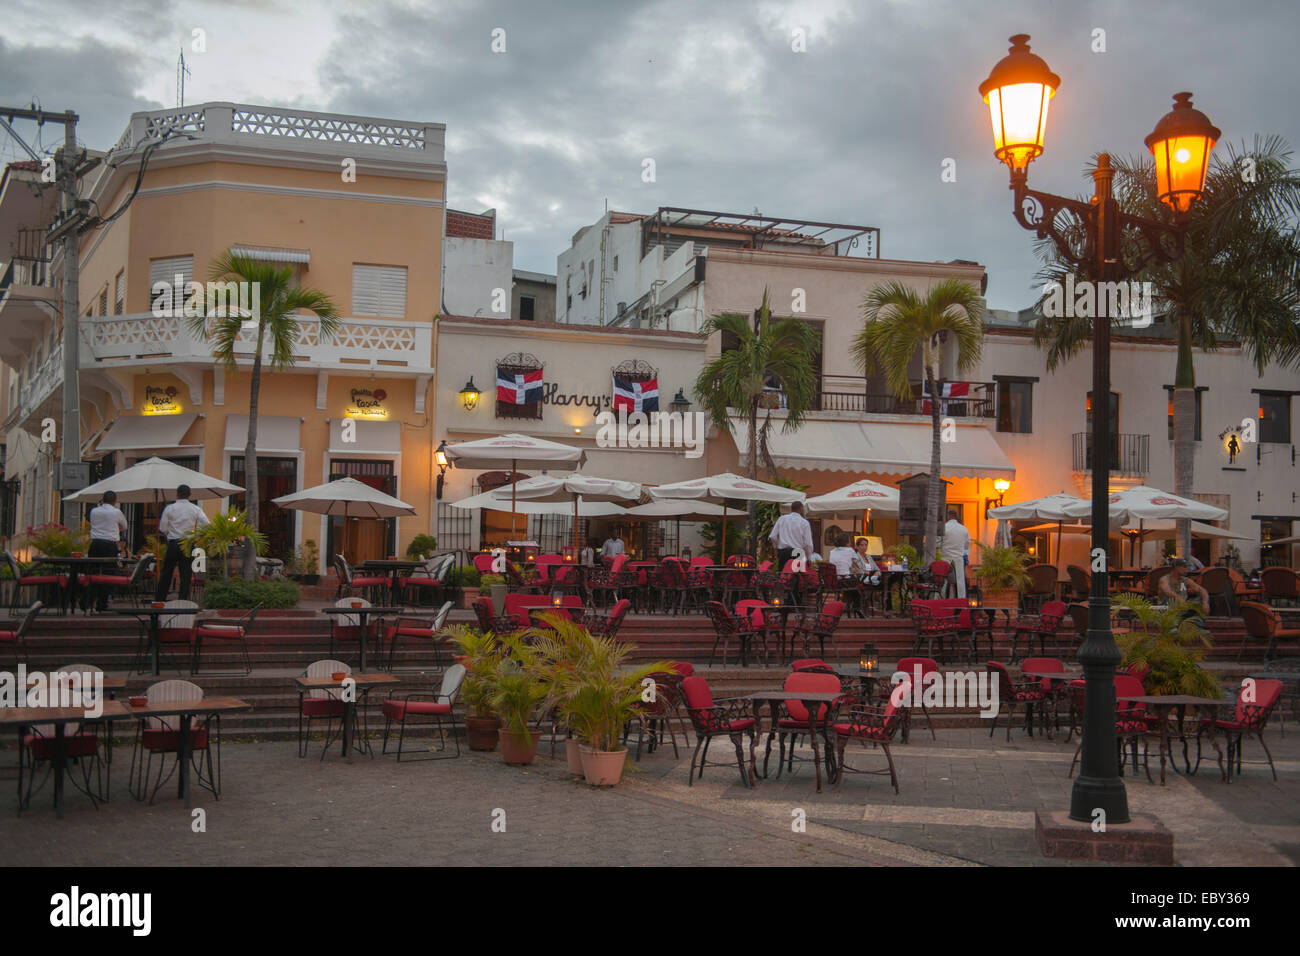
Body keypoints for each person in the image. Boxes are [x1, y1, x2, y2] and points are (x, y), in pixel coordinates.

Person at [154, 484, 210, 602]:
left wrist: (170, 532)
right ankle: (182, 601)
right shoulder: (195, 509)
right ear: (190, 495)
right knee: (185, 574)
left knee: (167, 572)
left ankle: (160, 599)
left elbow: (163, 528)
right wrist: (196, 535)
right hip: (188, 543)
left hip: (173, 543)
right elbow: (207, 524)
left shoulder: (169, 508)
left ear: (177, 494)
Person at [87, 490, 128, 612]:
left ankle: (88, 600)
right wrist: (114, 530)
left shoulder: (94, 511)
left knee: (92, 571)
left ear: (102, 500)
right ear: (115, 501)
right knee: (108, 573)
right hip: (109, 545)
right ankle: (102, 603)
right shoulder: (116, 512)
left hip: (95, 544)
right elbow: (125, 526)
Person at [1160, 558, 1210, 625]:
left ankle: (1198, 625)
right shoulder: (1165, 579)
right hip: (1168, 609)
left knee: (1201, 597)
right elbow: (1167, 591)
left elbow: (1202, 590)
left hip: (1183, 608)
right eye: (1184, 567)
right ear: (1177, 567)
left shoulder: (1185, 580)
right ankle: (1173, 625)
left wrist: (1205, 603)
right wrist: (1178, 598)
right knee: (1168, 598)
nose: (1186, 569)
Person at [769, 500, 814, 570]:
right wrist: (809, 558)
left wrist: (777, 547)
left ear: (791, 509)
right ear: (801, 509)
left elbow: (772, 536)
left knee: (783, 576)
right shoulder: (804, 523)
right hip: (798, 552)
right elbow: (808, 543)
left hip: (783, 552)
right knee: (797, 577)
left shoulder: (782, 519)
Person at [941, 510, 971, 599]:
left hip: (945, 557)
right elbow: (966, 545)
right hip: (958, 558)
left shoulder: (944, 527)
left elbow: (938, 542)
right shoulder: (963, 529)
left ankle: (942, 598)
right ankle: (961, 599)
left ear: (948, 516)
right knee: (960, 580)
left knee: (944, 580)